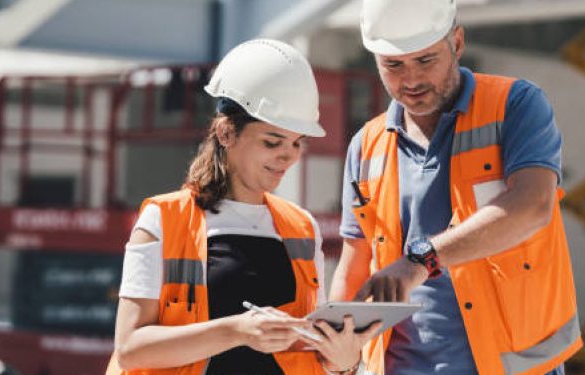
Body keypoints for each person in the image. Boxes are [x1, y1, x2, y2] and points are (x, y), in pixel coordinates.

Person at [328, 1, 582, 374]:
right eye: (393, 65)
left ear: (457, 43)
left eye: (426, 60)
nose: (411, 79)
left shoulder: (516, 106)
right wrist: (339, 353)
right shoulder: (365, 146)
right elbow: (353, 267)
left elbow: (533, 206)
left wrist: (420, 261)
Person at [105, 39, 380, 375]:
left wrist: (345, 360)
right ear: (225, 133)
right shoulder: (162, 220)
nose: (288, 156)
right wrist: (236, 331)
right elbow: (131, 349)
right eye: (272, 141)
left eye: (297, 143)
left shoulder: (302, 227)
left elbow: (318, 360)